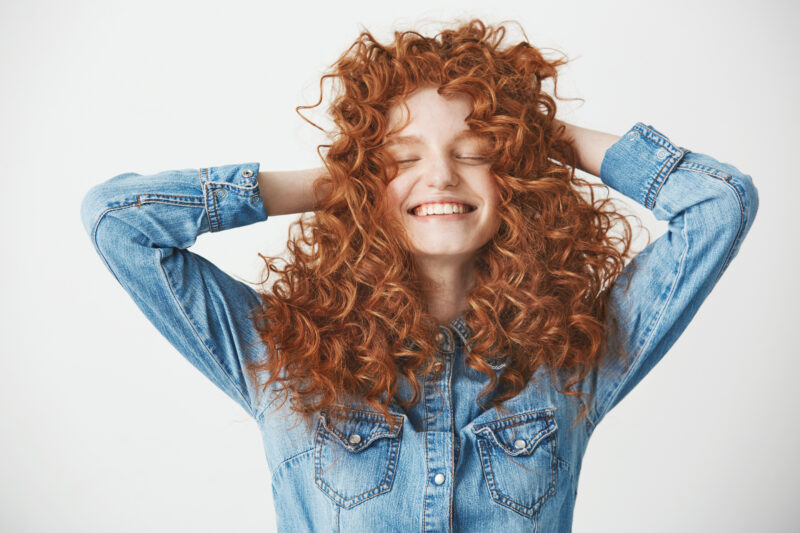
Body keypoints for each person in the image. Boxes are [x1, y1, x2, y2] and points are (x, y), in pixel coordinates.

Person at [80, 18, 758, 532]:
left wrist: (539, 134)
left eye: (474, 151)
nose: (438, 175)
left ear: (511, 175)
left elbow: (717, 204)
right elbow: (117, 219)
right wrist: (340, 181)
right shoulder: (279, 354)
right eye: (401, 158)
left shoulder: (573, 359)